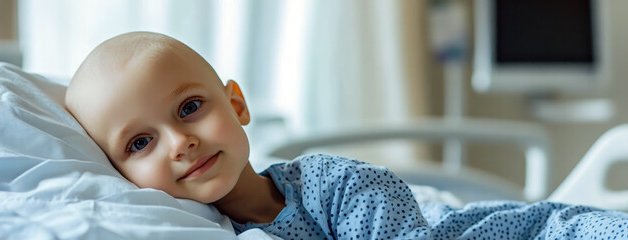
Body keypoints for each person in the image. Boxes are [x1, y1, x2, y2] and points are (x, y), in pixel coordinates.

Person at [65, 31, 628, 240]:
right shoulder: (196, 230)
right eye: (139, 145)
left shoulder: (330, 183)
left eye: (190, 107)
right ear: (117, 174)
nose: (178, 142)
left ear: (236, 105)